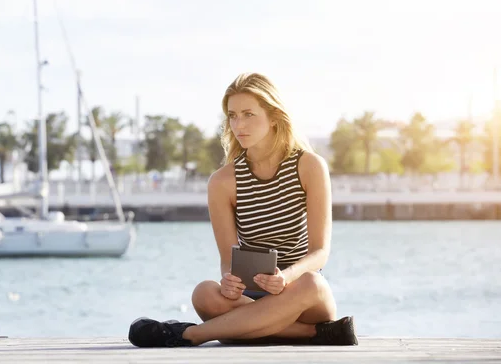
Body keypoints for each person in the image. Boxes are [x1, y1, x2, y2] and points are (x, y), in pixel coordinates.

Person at [128, 72, 357, 348]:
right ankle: (313, 334)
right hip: (252, 295)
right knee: (204, 293)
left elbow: (320, 252)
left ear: (273, 117)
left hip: (302, 297)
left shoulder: (309, 166)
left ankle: (191, 334)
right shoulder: (222, 182)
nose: (239, 124)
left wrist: (285, 277)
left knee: (313, 284)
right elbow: (228, 258)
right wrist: (229, 281)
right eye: (233, 116)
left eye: (249, 114)